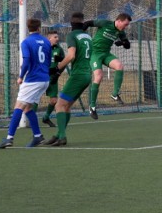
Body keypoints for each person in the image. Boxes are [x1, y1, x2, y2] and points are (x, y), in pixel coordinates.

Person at [0, 18, 51, 148]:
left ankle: (9, 138)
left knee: (19, 106)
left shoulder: (26, 42)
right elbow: (48, 61)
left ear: (28, 29)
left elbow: (26, 60)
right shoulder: (46, 41)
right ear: (39, 28)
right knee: (28, 108)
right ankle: (38, 136)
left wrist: (21, 76)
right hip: (45, 79)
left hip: (33, 80)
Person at [44, 12, 93, 146]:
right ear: (82, 23)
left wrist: (58, 68)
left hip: (78, 75)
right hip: (87, 75)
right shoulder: (88, 36)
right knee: (67, 106)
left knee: (59, 105)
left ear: (71, 23)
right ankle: (58, 134)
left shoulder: (72, 35)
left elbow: (71, 56)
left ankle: (62, 136)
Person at [83, 13, 132, 119]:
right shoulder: (105, 23)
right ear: (119, 21)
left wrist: (122, 42)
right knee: (99, 76)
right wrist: (79, 33)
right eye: (125, 24)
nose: (126, 26)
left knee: (119, 66)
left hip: (106, 53)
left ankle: (115, 94)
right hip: (95, 53)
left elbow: (128, 45)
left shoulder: (120, 31)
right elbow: (87, 23)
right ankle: (92, 106)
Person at [38, 30, 65, 127]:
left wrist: (58, 74)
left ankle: (46, 117)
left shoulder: (59, 49)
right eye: (55, 37)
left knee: (54, 100)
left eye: (57, 37)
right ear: (49, 38)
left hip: (53, 77)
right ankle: (29, 119)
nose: (57, 39)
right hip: (42, 76)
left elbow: (64, 62)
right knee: (35, 98)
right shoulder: (42, 48)